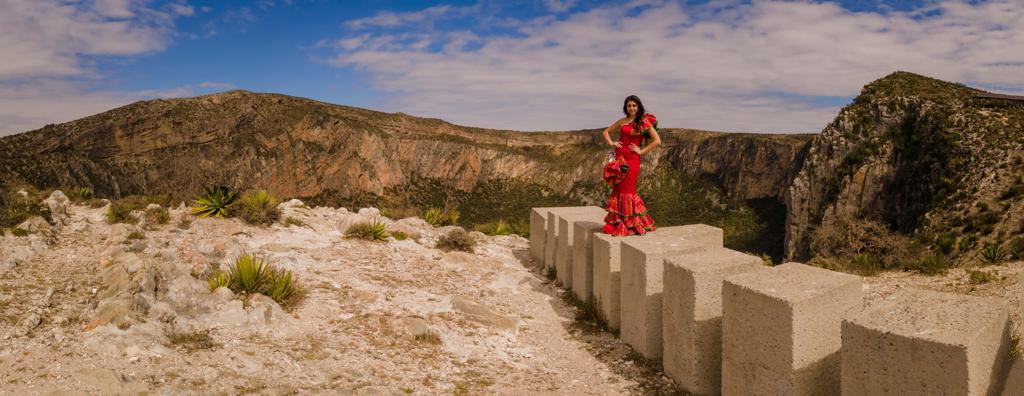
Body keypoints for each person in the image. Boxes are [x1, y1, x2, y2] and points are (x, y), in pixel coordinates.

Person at [600, 95, 661, 236]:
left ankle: (630, 224)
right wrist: (612, 143)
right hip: (619, 159)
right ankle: (617, 223)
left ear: (638, 106)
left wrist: (641, 150)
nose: (632, 108)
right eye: (629, 106)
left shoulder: (644, 121)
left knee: (629, 191)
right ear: (625, 107)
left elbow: (657, 141)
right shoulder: (622, 121)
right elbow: (606, 132)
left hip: (632, 160)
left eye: (634, 105)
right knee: (619, 189)